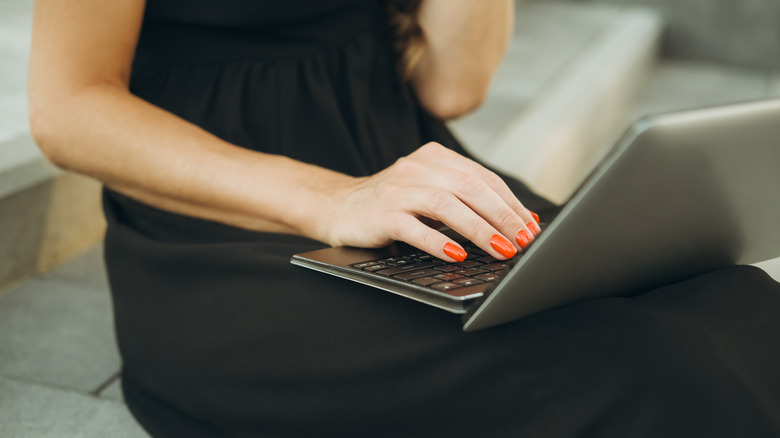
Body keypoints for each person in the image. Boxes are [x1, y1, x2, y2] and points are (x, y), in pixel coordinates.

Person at [28, 0, 780, 436]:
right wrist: (330, 198)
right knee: (638, 368)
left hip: (402, 175)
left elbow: (452, 86)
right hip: (219, 222)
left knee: (734, 300)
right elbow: (69, 109)